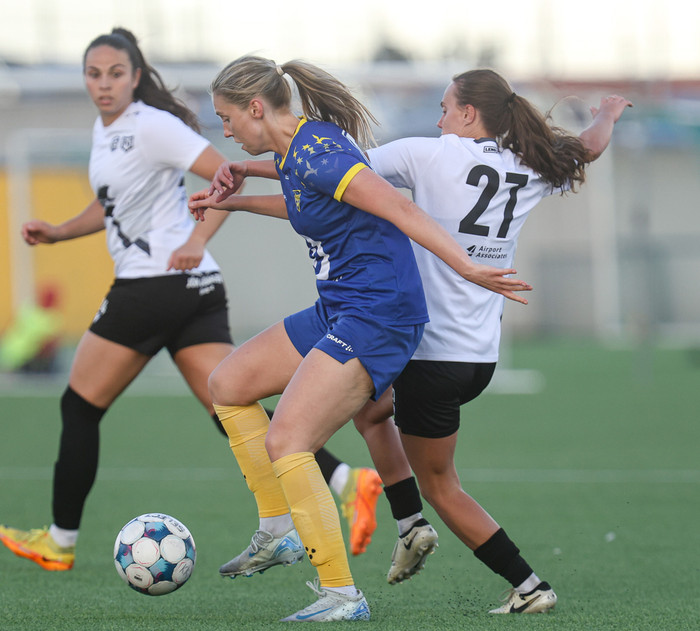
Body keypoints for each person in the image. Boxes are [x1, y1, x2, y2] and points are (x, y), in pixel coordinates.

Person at [187, 55, 531, 622]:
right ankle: (278, 529)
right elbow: (307, 204)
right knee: (226, 384)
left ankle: (342, 596)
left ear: (255, 108)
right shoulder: (299, 149)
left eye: (226, 118)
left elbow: (395, 205)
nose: (224, 131)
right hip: (341, 307)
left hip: (379, 314)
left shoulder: (317, 152)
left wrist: (467, 267)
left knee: (288, 441)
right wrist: (236, 195)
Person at [360, 72, 632, 613]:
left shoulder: (429, 154)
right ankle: (409, 523)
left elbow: (333, 171)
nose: (439, 118)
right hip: (479, 357)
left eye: (445, 107)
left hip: (431, 355)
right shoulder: (529, 164)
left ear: (468, 114)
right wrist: (608, 113)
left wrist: (250, 168)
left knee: (442, 487)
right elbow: (590, 147)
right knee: (368, 407)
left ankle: (527, 585)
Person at [0, 27, 240, 572]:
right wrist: (59, 232)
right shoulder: (106, 130)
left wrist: (196, 238)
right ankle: (345, 481)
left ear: (135, 77)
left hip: (154, 286)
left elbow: (228, 178)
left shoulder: (150, 125)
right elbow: (112, 204)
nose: (103, 84)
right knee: (230, 408)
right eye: (94, 74)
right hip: (194, 287)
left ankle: (59, 541)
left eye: (114, 74)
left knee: (79, 406)